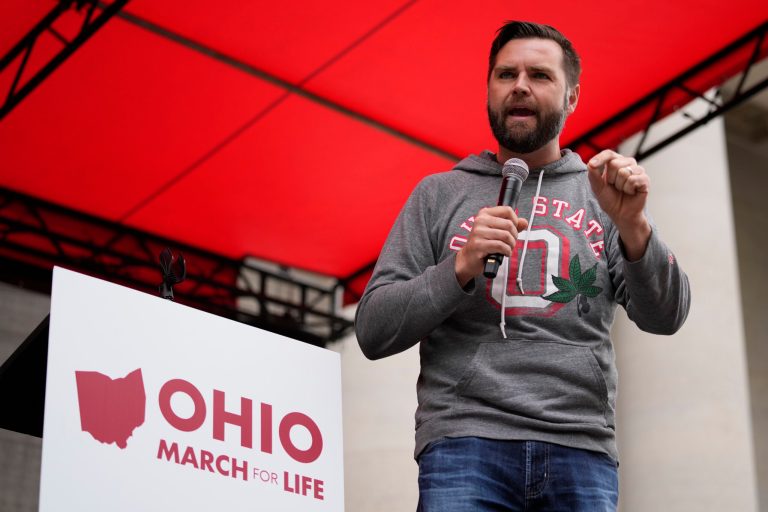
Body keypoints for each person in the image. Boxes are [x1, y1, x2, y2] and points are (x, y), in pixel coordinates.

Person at [355, 20, 690, 512]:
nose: (520, 87)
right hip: (464, 440)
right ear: (489, 90)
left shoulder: (603, 196)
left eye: (539, 75)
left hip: (581, 445)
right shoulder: (438, 194)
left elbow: (667, 316)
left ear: (572, 97)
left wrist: (635, 226)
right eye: (506, 74)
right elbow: (373, 329)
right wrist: (460, 267)